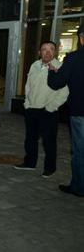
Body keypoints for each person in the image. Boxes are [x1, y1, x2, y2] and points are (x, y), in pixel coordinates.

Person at [14, 41, 68, 178]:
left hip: (48, 111)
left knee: (49, 141)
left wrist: (51, 107)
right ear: (40, 52)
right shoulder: (34, 65)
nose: (48, 52)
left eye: (51, 49)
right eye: (44, 49)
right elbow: (28, 86)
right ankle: (30, 163)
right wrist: (27, 103)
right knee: (30, 139)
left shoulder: (61, 68)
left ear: (55, 52)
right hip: (32, 109)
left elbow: (65, 92)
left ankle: (50, 168)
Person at [47, 25, 84, 197]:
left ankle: (79, 186)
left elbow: (56, 83)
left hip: (80, 113)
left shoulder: (74, 58)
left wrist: (53, 72)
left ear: (81, 38)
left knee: (80, 151)